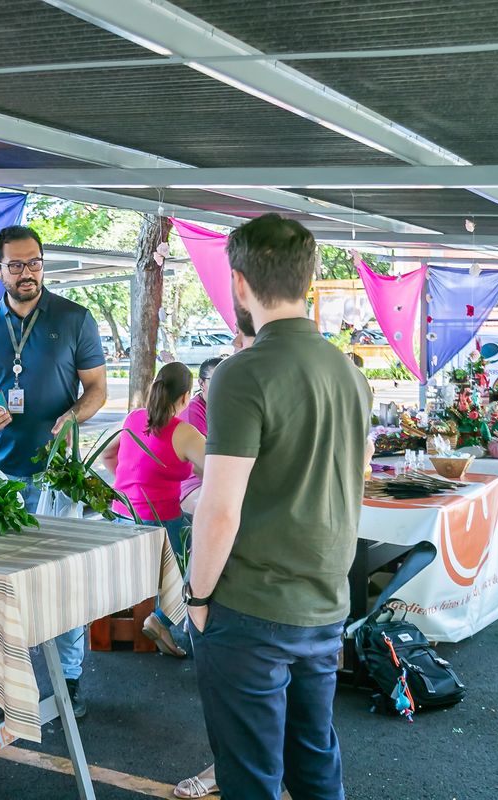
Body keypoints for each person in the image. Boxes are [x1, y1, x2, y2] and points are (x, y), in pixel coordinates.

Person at [185, 215, 373, 800]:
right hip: (323, 603)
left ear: (239, 284)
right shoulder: (348, 371)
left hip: (250, 608)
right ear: (309, 278)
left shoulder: (242, 373)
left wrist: (195, 598)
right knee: (314, 761)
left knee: (251, 777)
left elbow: (219, 509)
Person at [0, 224, 107, 720]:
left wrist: (74, 416)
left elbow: (96, 390)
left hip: (57, 475)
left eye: (35, 262)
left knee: (63, 583)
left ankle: (68, 679)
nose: (28, 273)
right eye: (17, 265)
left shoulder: (75, 318)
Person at [102, 361, 205, 658]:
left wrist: (129, 485)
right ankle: (161, 619)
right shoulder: (185, 433)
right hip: (157, 525)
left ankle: (163, 620)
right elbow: (218, 473)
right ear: (185, 397)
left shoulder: (134, 418)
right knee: (203, 551)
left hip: (120, 517)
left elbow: (110, 453)